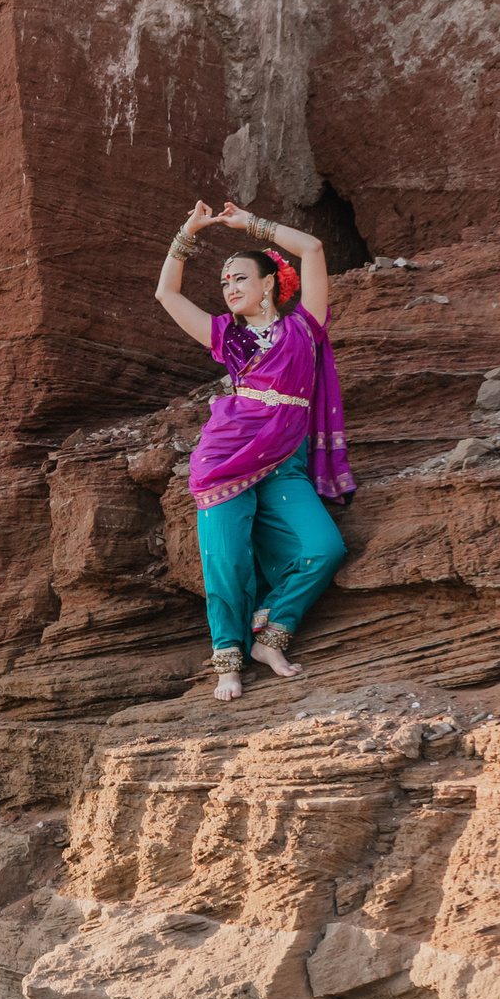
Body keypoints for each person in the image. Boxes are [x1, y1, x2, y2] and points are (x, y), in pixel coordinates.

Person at [153, 200, 354, 701]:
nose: (231, 288)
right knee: (228, 560)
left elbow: (311, 248)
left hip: (286, 459)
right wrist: (189, 229)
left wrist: (253, 225)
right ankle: (229, 660)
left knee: (323, 549)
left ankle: (272, 635)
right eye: (225, 283)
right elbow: (166, 293)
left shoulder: (306, 325)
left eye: (240, 277)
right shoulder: (227, 336)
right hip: (225, 456)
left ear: (269, 283)